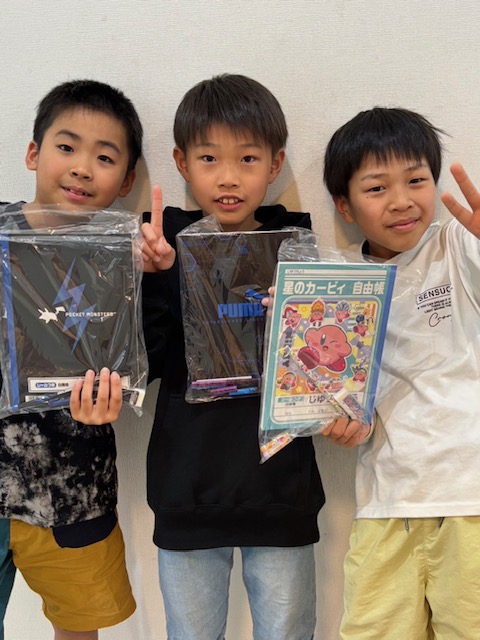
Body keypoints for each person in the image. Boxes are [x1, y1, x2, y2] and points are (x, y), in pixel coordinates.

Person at [141, 74, 325, 640]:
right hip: (187, 487)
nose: (228, 176)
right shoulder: (161, 247)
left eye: (247, 158)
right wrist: (155, 279)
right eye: (208, 158)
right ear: (182, 162)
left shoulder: (297, 253)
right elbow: (143, 366)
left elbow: (324, 369)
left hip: (281, 487)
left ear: (274, 165)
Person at [0, 79, 171, 640]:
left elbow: (136, 361)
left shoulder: (120, 259)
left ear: (126, 182)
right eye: (66, 146)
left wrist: (152, 280)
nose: (81, 168)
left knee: (79, 630)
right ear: (33, 153)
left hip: (74, 488)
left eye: (104, 157)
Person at [322, 106, 480, 639]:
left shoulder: (458, 245)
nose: (402, 200)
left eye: (416, 180)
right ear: (344, 205)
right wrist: (336, 419)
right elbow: (329, 390)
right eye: (376, 188)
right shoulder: (337, 279)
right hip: (384, 505)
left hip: (471, 502)